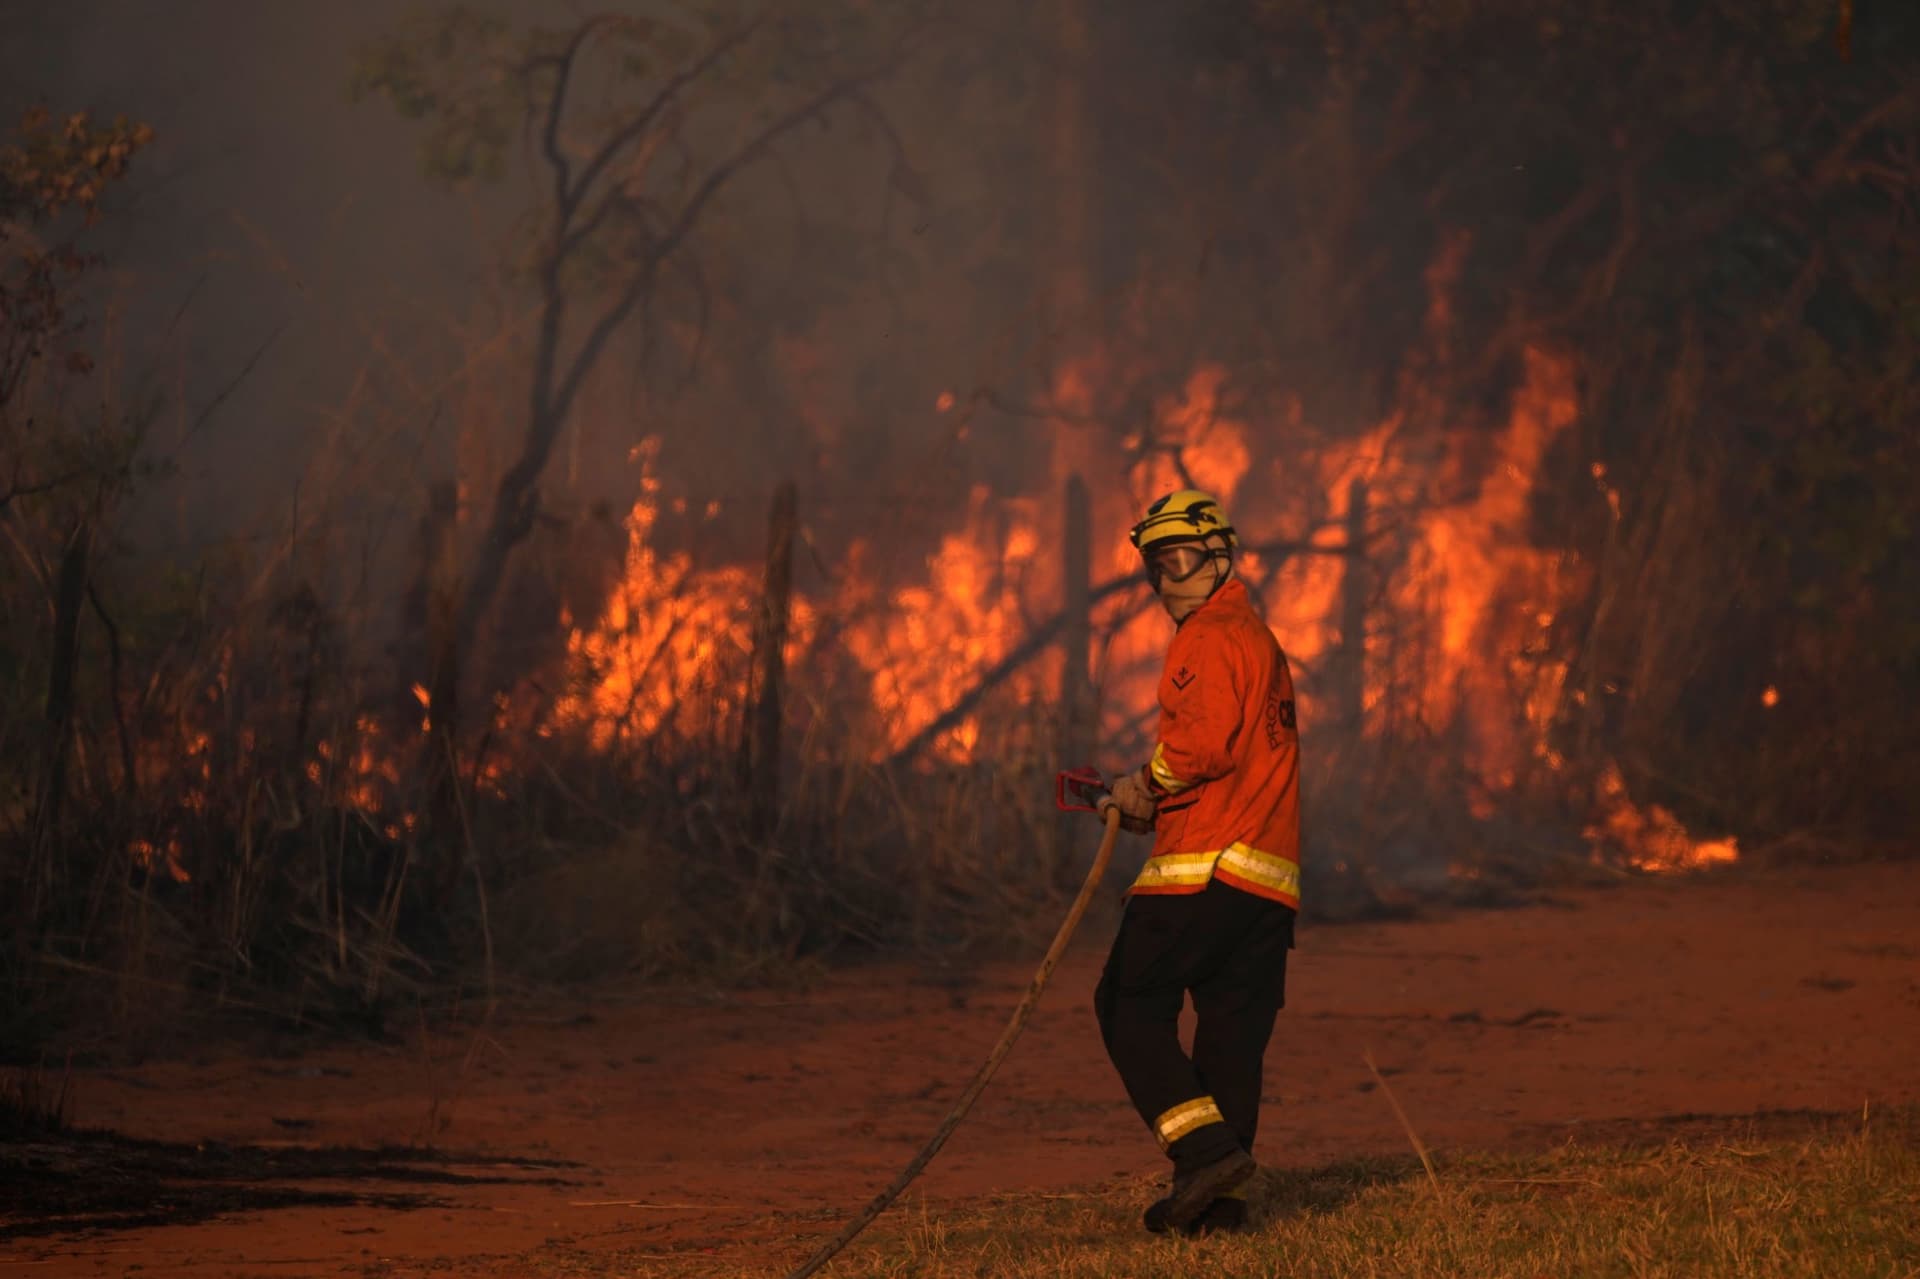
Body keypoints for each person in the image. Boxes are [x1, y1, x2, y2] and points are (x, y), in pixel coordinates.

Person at [1092, 488, 1303, 1236]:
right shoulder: (1258, 638)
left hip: (1204, 869)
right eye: (1155, 564)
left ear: (1220, 556)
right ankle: (1213, 1204)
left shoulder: (1210, 634)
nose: (1166, 579)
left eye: (1180, 558)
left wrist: (1144, 787)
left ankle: (1204, 1148)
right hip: (1268, 882)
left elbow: (1200, 747)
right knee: (1230, 1037)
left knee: (1126, 1005)